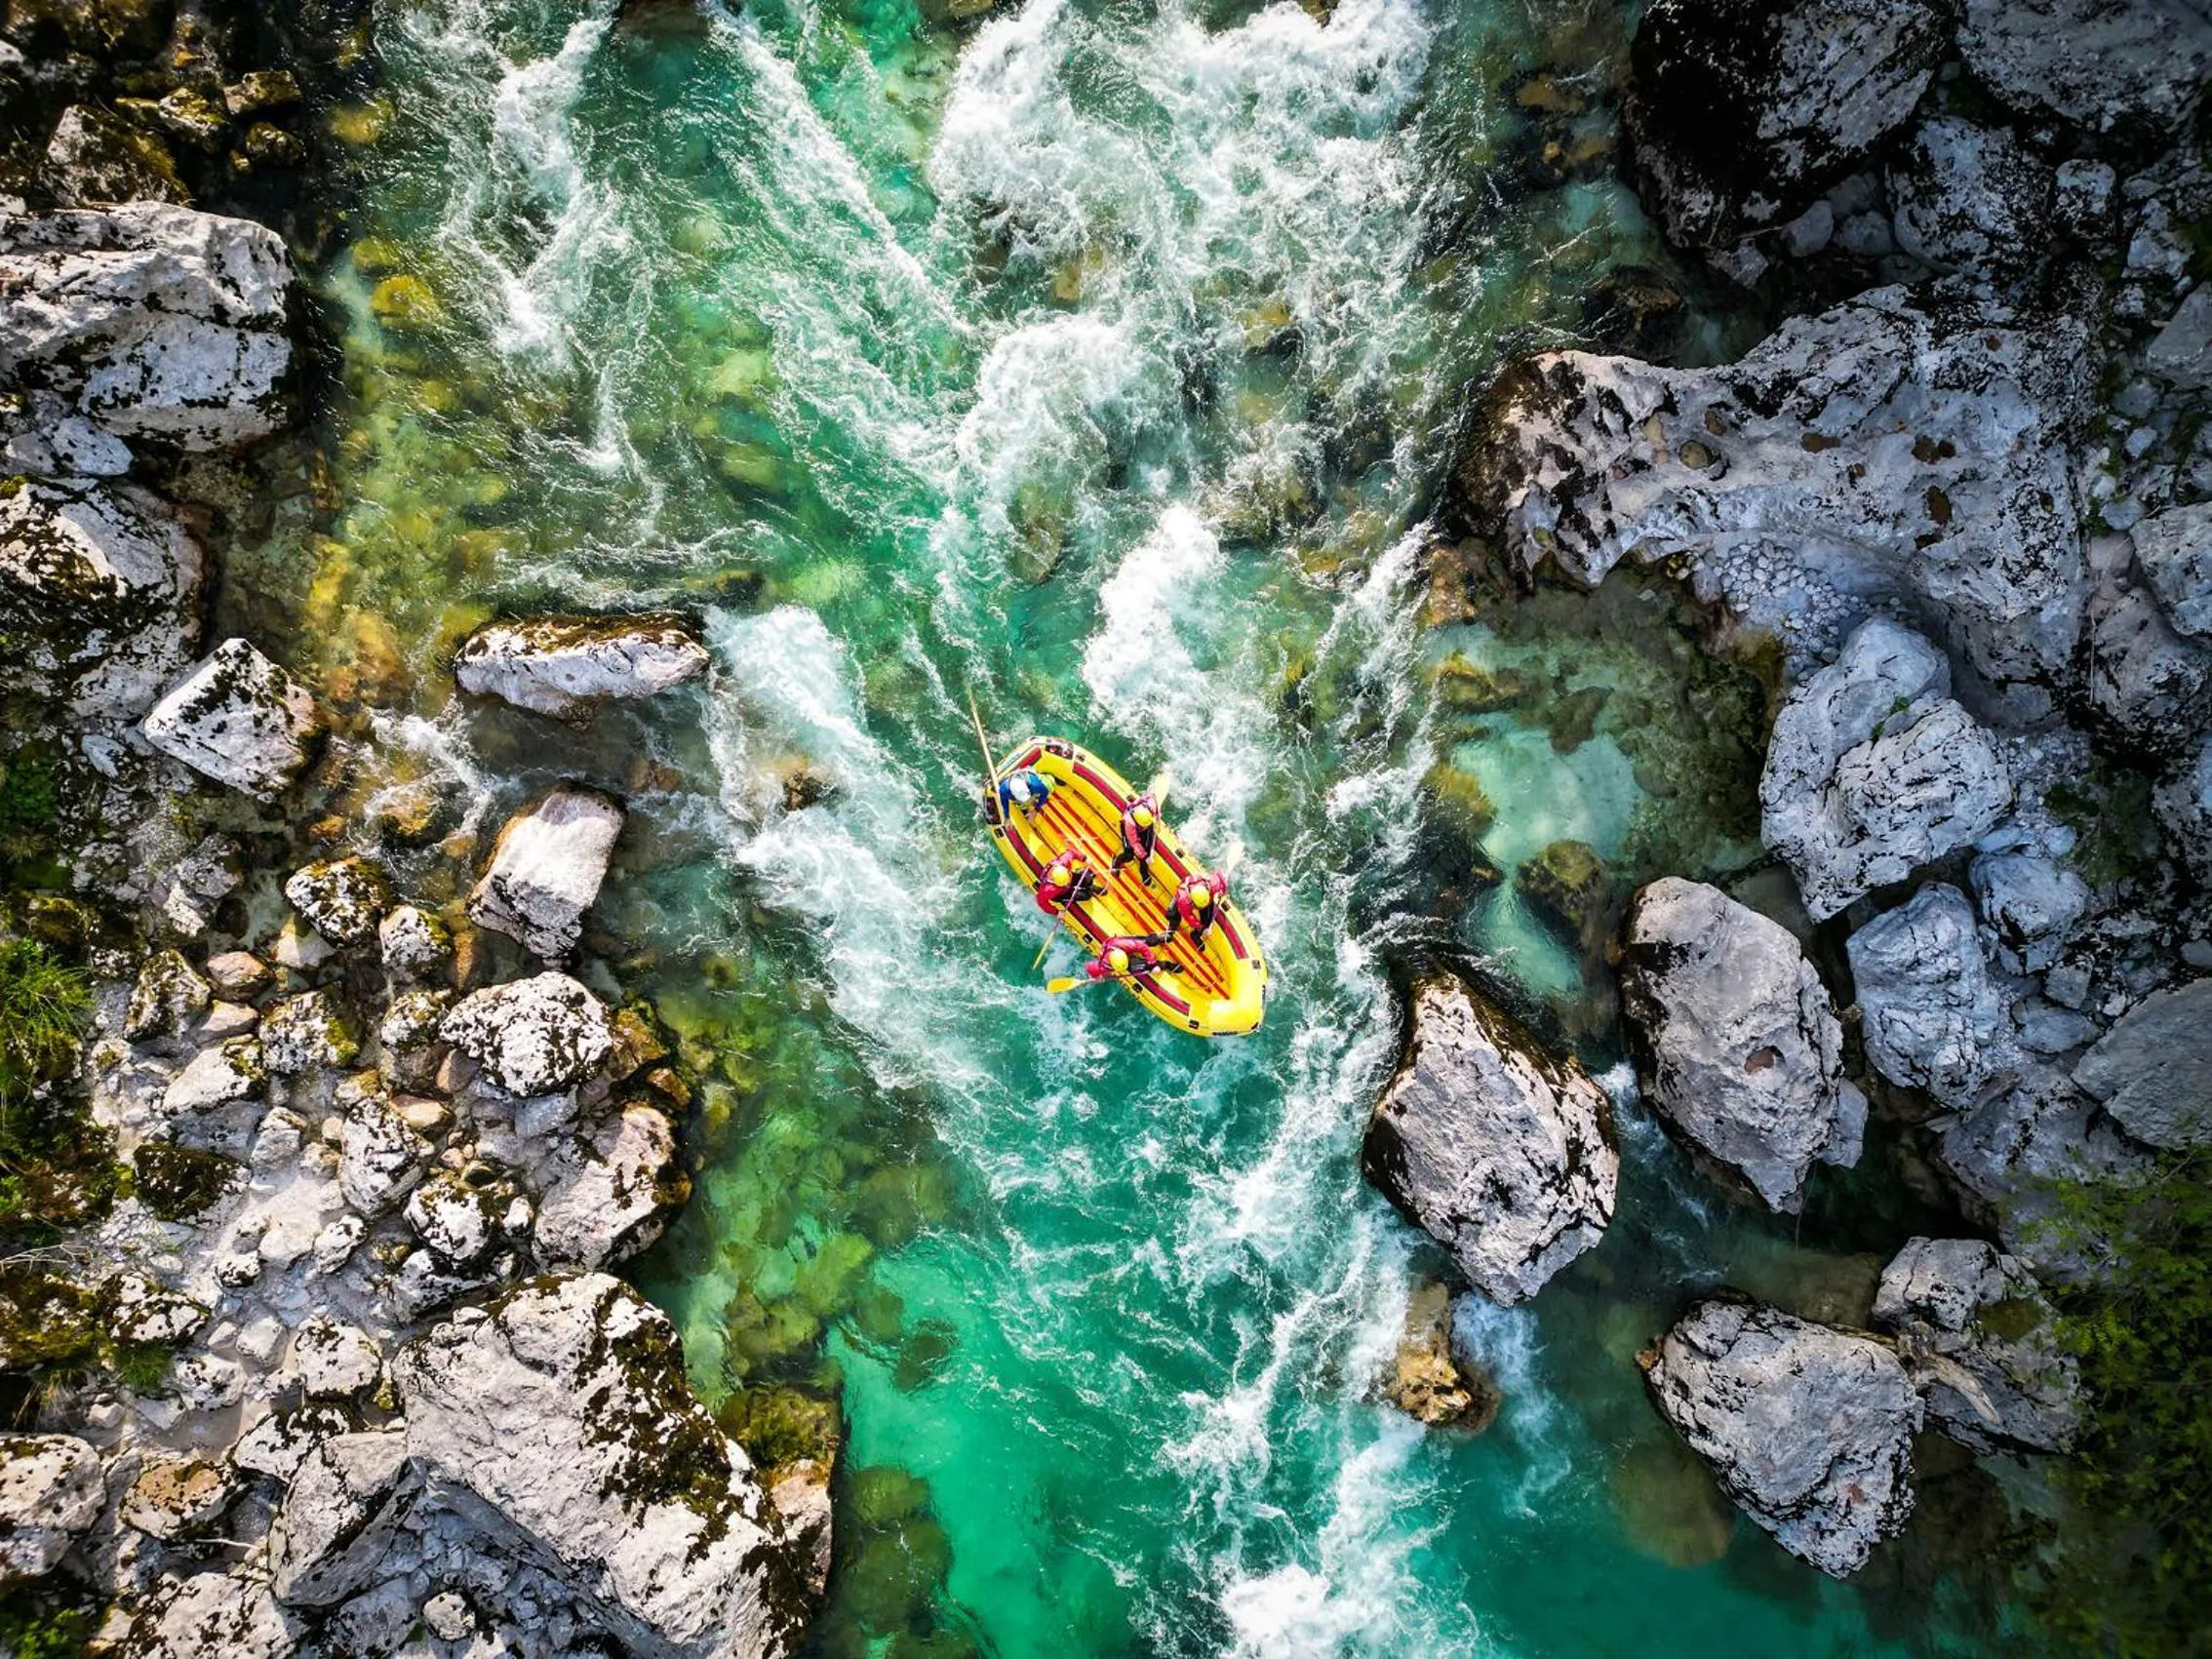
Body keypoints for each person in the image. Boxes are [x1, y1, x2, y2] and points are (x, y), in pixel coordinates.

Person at [1162, 868, 1229, 946]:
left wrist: (1209, 925)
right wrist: (1201, 928)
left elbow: (1216, 902)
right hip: (1182, 897)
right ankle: (1170, 931)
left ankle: (1195, 934)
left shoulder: (1207, 884)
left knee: (1207, 918)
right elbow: (1190, 918)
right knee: (1172, 914)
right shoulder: (1184, 903)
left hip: (1201, 895)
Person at [1085, 934, 1181, 986]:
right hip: (1123, 954)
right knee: (1143, 968)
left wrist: (1152, 962)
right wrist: (1094, 979)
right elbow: (1092, 969)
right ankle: (1167, 965)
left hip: (1126, 945)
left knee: (1151, 941)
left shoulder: (1120, 944)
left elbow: (1142, 946)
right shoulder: (1105, 966)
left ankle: (1159, 938)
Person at [1111, 792, 1163, 886]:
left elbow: (1154, 802)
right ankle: (1116, 863)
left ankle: (1144, 873)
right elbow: (1134, 843)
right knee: (1129, 853)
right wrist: (1144, 856)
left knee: (1147, 848)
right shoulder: (1129, 825)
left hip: (1146, 824)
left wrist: (1158, 821)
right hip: (1132, 830)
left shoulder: (1151, 806)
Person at [1036, 850, 1101, 915]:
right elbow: (1041, 902)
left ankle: (1080, 874)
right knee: (1085, 896)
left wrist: (1084, 858)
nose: (1067, 883)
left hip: (1068, 876)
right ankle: (1086, 889)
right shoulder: (1048, 890)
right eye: (1065, 883)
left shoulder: (1064, 861)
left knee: (1088, 880)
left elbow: (1071, 852)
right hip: (1060, 893)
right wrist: (1057, 912)